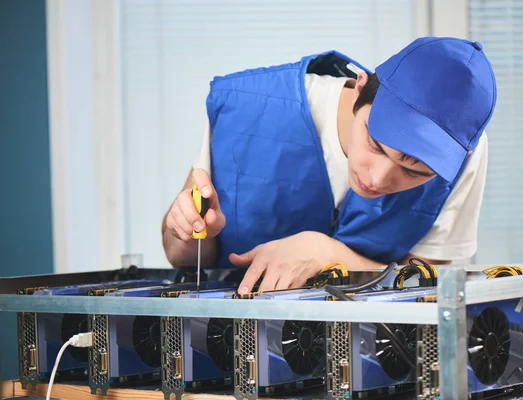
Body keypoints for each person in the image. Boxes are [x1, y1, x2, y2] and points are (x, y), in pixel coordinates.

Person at [161, 36, 497, 294]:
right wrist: (188, 232)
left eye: (413, 171)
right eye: (375, 144)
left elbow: (426, 288)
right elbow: (180, 257)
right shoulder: (246, 110)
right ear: (359, 88)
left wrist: (327, 254)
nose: (377, 179)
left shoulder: (463, 155)